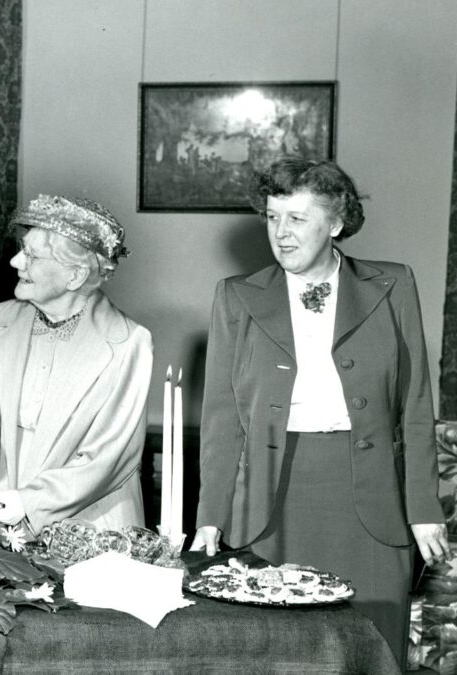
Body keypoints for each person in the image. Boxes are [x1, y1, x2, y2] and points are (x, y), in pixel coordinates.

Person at [190, 158, 447, 668]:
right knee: (273, 655)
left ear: (335, 223)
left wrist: (422, 507)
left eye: (298, 219)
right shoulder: (237, 296)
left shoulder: (393, 286)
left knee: (370, 651)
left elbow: (417, 403)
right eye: (271, 217)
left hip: (369, 502)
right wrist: (210, 517)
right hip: (270, 499)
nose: (281, 234)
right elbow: (222, 419)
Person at [0, 195, 151, 536]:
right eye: (21, 249)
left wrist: (29, 502)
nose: (15, 261)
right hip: (1, 525)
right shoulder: (1, 320)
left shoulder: (127, 343)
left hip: (91, 532)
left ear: (75, 275)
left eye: (31, 255)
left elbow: (108, 458)